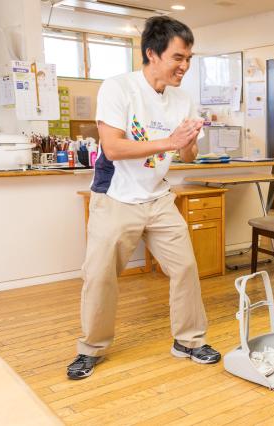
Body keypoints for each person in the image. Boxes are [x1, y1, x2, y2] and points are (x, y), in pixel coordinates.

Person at [67, 16, 220, 380]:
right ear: (152, 54)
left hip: (158, 197)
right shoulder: (119, 88)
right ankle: (92, 348)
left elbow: (188, 157)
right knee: (101, 276)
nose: (185, 66)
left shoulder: (182, 98)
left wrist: (190, 141)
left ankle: (188, 340)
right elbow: (114, 147)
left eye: (189, 59)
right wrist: (171, 140)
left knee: (184, 267)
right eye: (178, 58)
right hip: (116, 196)